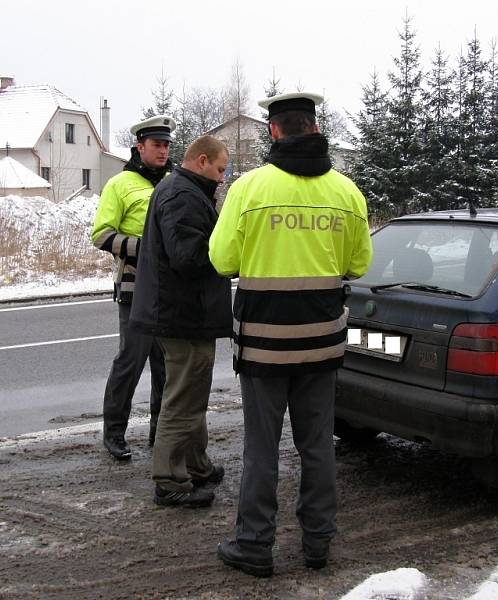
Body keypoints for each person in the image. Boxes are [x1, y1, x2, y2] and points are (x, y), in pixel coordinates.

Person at [209, 92, 373, 577]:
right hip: (323, 342)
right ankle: (318, 542)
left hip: (263, 345)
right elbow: (358, 264)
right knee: (318, 444)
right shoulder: (346, 192)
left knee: (261, 447)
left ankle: (254, 545)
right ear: (315, 127)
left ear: (274, 131)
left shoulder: (249, 188)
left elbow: (222, 260)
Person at [130, 136, 232, 508]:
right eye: (220, 169)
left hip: (185, 313)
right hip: (184, 315)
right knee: (183, 398)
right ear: (201, 161)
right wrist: (227, 247)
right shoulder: (182, 196)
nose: (222, 178)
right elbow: (188, 257)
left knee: (192, 394)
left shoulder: (184, 191)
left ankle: (195, 464)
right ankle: (169, 479)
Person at [91, 115, 176, 460]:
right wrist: (145, 248)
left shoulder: (173, 183)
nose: (163, 150)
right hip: (134, 287)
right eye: (157, 144)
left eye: (167, 145)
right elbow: (101, 234)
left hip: (171, 289)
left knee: (166, 365)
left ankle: (161, 435)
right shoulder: (121, 184)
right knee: (130, 360)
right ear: (140, 147)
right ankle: (114, 434)